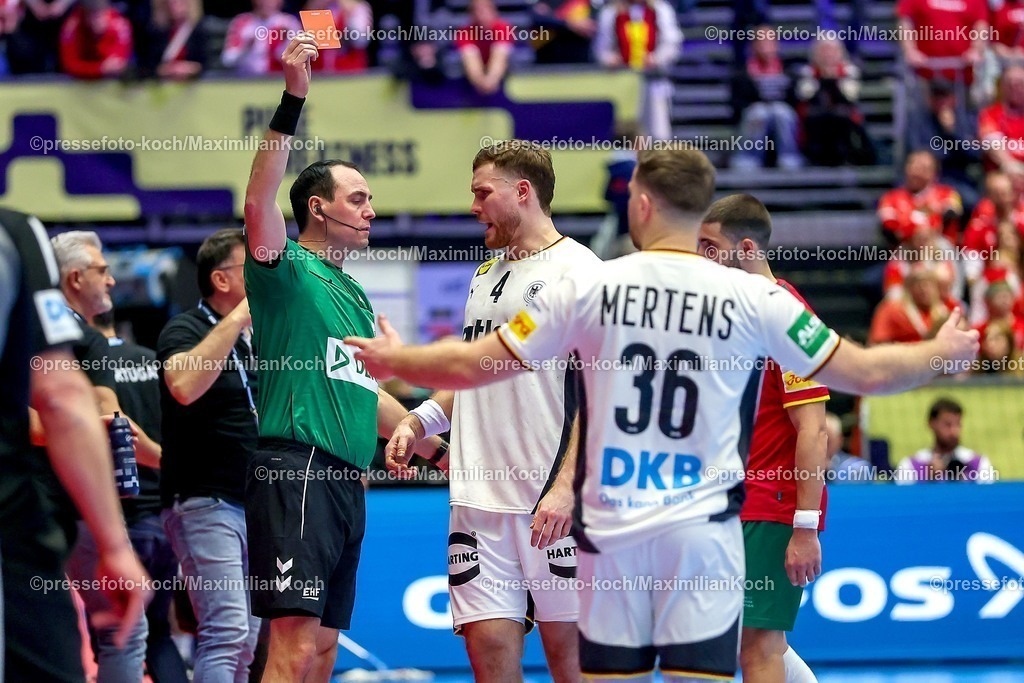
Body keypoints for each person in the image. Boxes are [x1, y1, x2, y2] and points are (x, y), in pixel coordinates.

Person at [345, 148, 980, 681]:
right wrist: (942, 353)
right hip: (701, 528)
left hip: (619, 525)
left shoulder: (589, 285)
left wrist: (396, 358)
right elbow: (863, 371)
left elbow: (481, 361)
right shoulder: (758, 295)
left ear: (641, 205)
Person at [242, 36, 443, 682]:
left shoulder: (354, 293)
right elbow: (256, 201)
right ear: (318, 207)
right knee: (293, 647)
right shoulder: (285, 268)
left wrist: (426, 436)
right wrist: (292, 97)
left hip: (348, 481)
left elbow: (360, 386)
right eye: (358, 199)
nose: (371, 210)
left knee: (324, 651)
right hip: (295, 469)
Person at [385, 142, 600, 683]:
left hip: (552, 502)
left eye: (483, 193)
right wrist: (420, 420)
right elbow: (477, 371)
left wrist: (567, 486)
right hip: (479, 499)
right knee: (490, 662)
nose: (474, 206)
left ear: (521, 192)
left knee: (572, 667)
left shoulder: (582, 272)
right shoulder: (484, 274)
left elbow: (603, 390)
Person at [0, 207, 149, 681]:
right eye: (102, 271)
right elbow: (65, 401)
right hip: (24, 514)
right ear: (74, 276)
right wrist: (113, 541)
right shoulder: (15, 235)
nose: (110, 281)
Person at [698, 194, 827, 683]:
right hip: (733, 501)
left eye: (710, 247)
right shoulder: (731, 319)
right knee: (745, 639)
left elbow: (812, 429)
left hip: (771, 506)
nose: (701, 257)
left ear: (745, 247)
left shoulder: (788, 317)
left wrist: (804, 525)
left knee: (758, 646)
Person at [157, 228, 263, 682]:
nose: (263, 276)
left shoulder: (255, 341)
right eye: (251, 269)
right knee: (226, 630)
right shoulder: (185, 328)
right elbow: (182, 386)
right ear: (222, 281)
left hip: (255, 504)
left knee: (248, 640)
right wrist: (240, 316)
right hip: (205, 500)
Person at [72, 309, 189, 683]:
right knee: (156, 634)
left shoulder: (83, 366)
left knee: (113, 632)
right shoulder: (154, 362)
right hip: (164, 515)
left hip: (119, 515)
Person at [594, 0, 681, 140]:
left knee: (657, 131)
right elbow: (601, 47)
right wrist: (610, 58)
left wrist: (657, 58)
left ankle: (658, 161)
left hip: (652, 80)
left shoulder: (660, 9)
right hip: (622, 81)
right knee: (624, 131)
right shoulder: (611, 12)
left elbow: (672, 42)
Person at [729, 26, 802, 171]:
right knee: (759, 112)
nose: (765, 47)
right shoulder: (742, 72)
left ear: (776, 45)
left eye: (769, 42)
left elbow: (795, 100)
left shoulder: (789, 70)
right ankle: (748, 158)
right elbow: (737, 104)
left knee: (781, 111)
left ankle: (789, 157)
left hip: (782, 116)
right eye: (761, 42)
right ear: (753, 45)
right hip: (753, 118)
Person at [895, 398, 996, 483]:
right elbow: (903, 503)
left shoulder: (978, 463)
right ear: (931, 424)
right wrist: (927, 479)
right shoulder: (911, 465)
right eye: (947, 425)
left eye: (958, 425)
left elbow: (989, 500)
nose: (954, 431)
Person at [58, 0, 133, 79]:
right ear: (85, 16)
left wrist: (102, 38)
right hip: (79, 78)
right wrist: (99, 68)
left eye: (100, 15)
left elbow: (116, 64)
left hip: (112, 76)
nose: (97, 21)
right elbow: (70, 66)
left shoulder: (120, 25)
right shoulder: (72, 27)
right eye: (92, 16)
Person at [221, 0, 300, 75]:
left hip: (279, 78)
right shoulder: (242, 22)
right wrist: (246, 47)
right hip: (246, 79)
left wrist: (285, 42)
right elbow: (227, 60)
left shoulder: (288, 24)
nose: (266, 2)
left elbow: (297, 61)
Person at [456, 0, 514, 97]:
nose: (481, 15)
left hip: (501, 77)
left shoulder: (503, 28)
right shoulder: (465, 32)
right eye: (477, 11)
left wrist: (492, 80)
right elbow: (471, 61)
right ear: (471, 14)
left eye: (485, 10)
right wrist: (480, 81)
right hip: (472, 81)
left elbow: (500, 57)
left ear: (493, 11)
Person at [825, 413, 874, 483]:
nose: (823, 445)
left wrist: (829, 469)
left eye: (828, 441)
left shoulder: (859, 467)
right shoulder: (805, 467)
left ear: (840, 439)